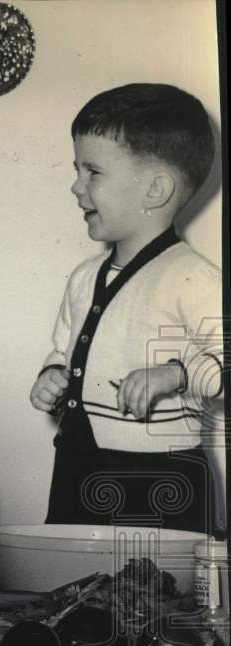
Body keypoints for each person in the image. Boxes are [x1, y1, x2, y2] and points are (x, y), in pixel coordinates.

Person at [30, 83, 222, 534]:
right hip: (78, 463)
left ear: (155, 189)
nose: (76, 186)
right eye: (77, 169)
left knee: (154, 597)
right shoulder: (82, 279)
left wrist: (174, 375)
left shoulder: (192, 277)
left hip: (160, 476)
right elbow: (62, 350)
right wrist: (50, 377)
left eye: (93, 172)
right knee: (72, 588)